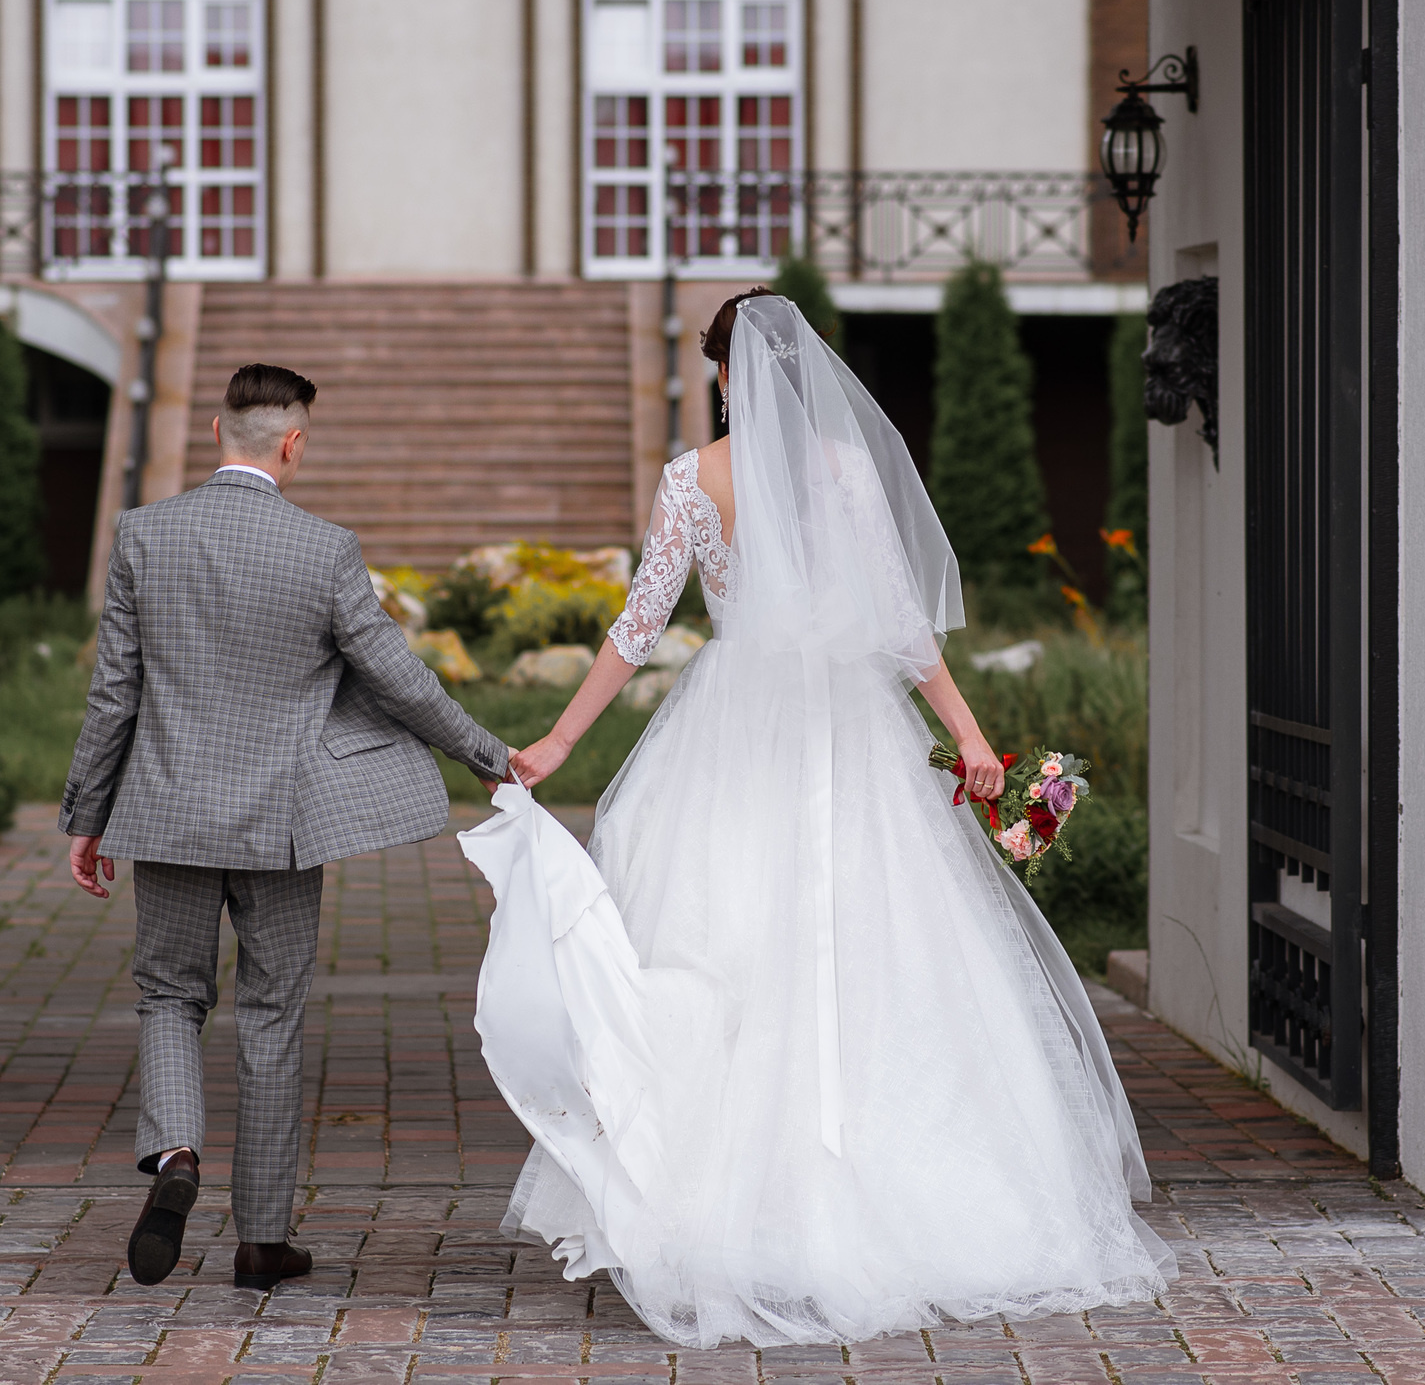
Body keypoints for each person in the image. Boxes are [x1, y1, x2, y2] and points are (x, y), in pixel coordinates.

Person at [475, 292, 1175, 1349]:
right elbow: (903, 625)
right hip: (849, 729)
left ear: (724, 376)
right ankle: (890, 1196)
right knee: (879, 948)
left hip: (734, 728)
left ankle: (719, 1208)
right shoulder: (844, 470)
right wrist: (971, 736)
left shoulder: (693, 479)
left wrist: (563, 739)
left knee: (720, 944)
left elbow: (639, 625)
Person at [59, 362, 513, 1293]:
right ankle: (263, 1241)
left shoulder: (143, 534)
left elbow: (113, 693)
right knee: (271, 1013)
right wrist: (487, 753)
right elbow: (398, 676)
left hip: (170, 817)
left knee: (169, 995)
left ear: (217, 434)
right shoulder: (326, 550)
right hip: (282, 827)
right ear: (293, 444)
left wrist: (87, 815)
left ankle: (176, 1153)